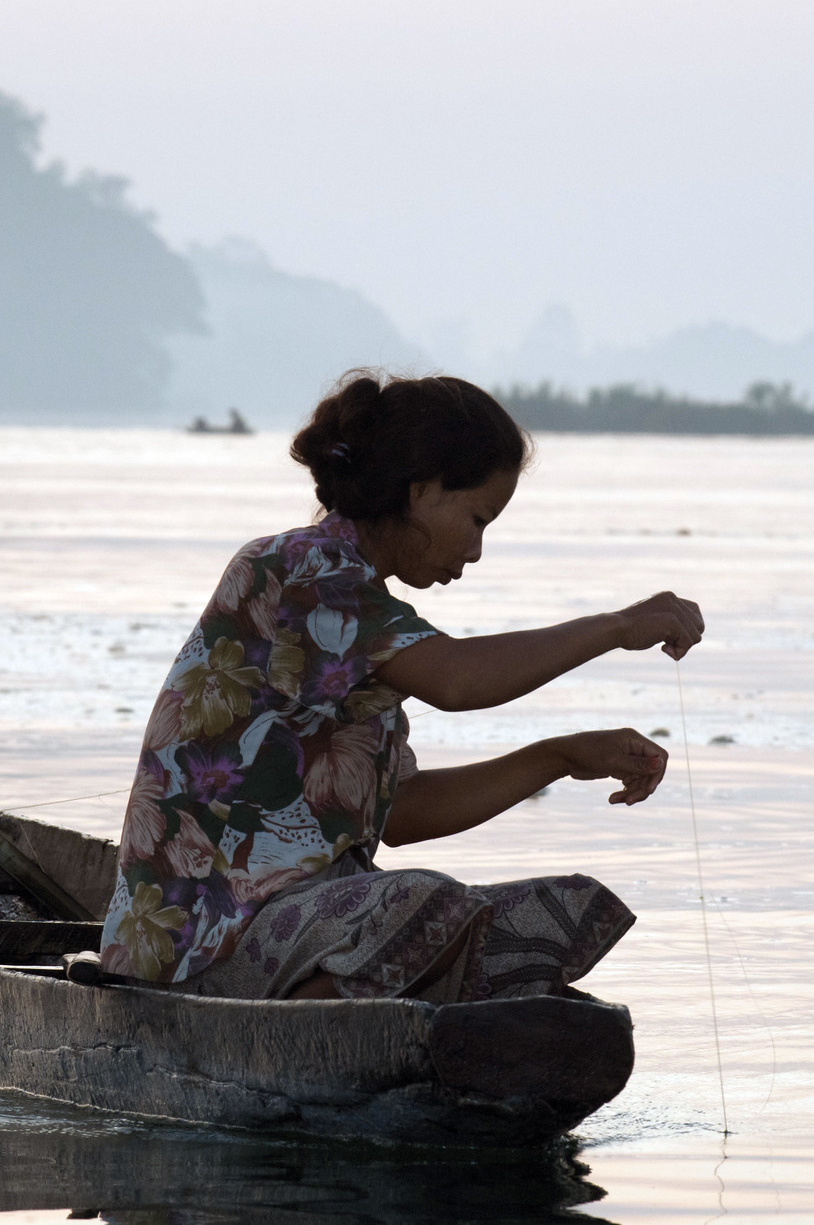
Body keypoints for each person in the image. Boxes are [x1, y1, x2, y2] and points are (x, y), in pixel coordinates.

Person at [100, 372, 704, 1001]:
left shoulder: (365, 621)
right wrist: (618, 626)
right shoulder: (297, 572)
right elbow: (459, 679)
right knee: (426, 905)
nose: (474, 551)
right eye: (476, 518)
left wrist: (559, 757)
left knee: (563, 909)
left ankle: (376, 1014)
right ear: (420, 491)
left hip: (297, 921)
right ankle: (336, 1020)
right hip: (199, 939)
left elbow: (404, 812)